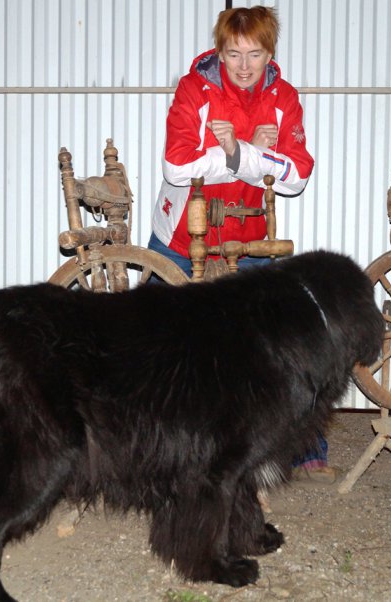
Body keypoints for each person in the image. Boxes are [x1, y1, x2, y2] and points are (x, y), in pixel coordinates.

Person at [148, 6, 335, 484]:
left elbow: (297, 177)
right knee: (150, 342)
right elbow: (176, 165)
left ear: (270, 52)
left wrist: (239, 151)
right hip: (179, 237)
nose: (244, 65)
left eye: (255, 54)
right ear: (220, 51)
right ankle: (148, 452)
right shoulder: (195, 89)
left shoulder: (283, 98)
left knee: (288, 337)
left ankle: (304, 449)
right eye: (234, 54)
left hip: (248, 238)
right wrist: (254, 156)